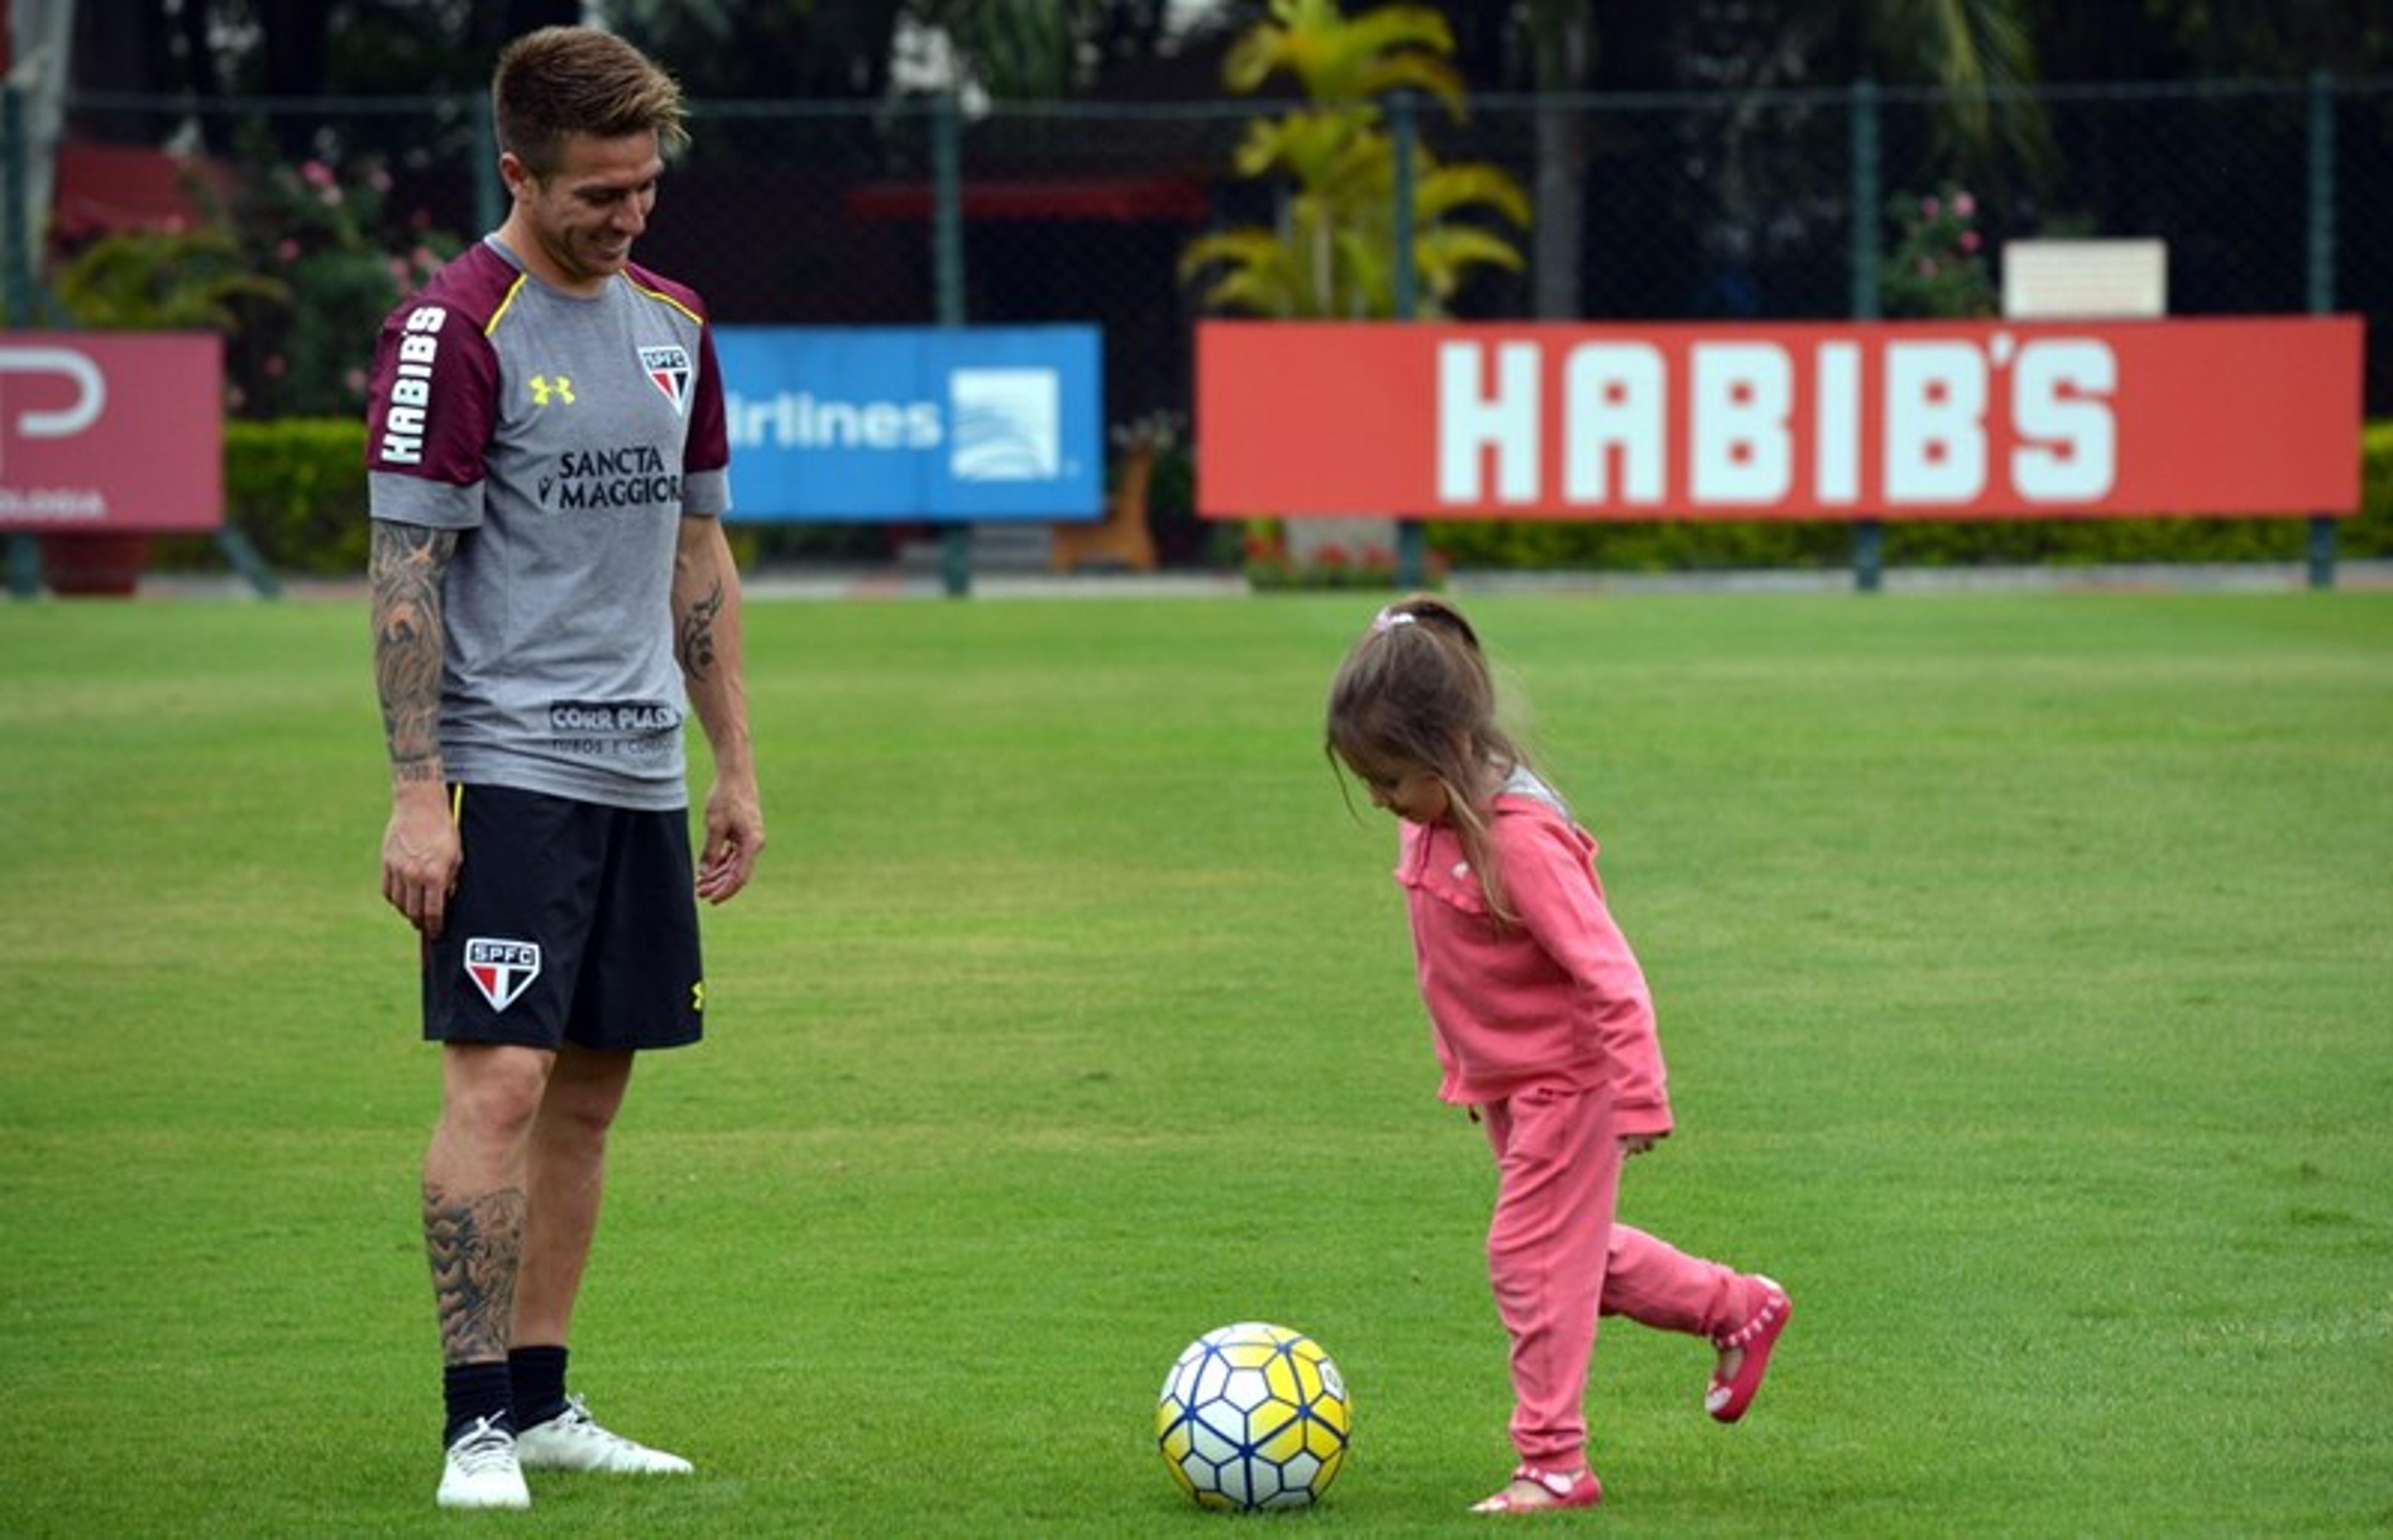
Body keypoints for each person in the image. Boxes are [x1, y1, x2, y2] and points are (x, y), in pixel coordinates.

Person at [363, 24, 764, 1512]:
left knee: (592, 1089)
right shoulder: (454, 329)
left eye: (645, 187)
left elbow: (696, 548)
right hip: (506, 773)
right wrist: (418, 789)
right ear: (518, 171)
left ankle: (541, 1402)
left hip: (639, 776)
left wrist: (734, 764)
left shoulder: (675, 324)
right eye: (599, 193)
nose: (628, 216)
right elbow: (406, 571)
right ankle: (474, 1422)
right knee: (505, 1080)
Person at [1323, 596, 1789, 1515]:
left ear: (1450, 750)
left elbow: (1610, 971)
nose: (1381, 799)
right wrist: (1469, 1071)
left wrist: (1639, 1096)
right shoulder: (1434, 816)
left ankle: (1554, 1463)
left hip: (1573, 1082)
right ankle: (1738, 1307)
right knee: (1575, 1257)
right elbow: (1456, 969)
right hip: (1510, 1082)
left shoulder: (1522, 843)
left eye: (1389, 780)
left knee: (1529, 1257)